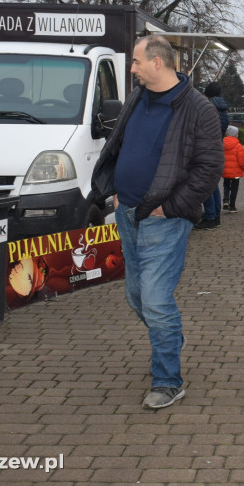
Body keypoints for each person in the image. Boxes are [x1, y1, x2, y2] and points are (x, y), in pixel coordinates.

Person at [89, 34, 222, 410]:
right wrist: (114, 189)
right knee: (137, 297)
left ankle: (167, 380)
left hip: (164, 218)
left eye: (135, 62)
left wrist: (172, 206)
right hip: (126, 212)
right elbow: (118, 144)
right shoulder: (137, 98)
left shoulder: (198, 109)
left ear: (157, 63)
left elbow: (209, 169)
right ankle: (169, 340)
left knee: (156, 300)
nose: (131, 69)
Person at [196, 81, 229, 230]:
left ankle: (210, 216)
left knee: (204, 184)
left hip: (206, 149)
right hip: (217, 148)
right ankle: (216, 216)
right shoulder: (223, 109)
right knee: (213, 184)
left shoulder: (208, 108)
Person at [222, 125, 244, 213]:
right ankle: (232, 206)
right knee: (234, 187)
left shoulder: (222, 144)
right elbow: (241, 160)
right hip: (236, 172)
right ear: (235, 135)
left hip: (225, 170)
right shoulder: (238, 146)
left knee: (226, 184)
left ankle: (225, 199)